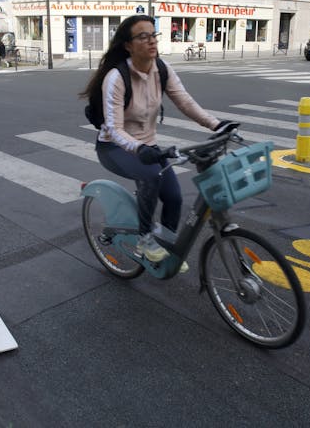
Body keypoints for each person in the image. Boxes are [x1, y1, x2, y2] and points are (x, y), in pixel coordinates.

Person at [80, 15, 230, 270]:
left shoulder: (161, 69)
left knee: (174, 197)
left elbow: (185, 102)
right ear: (128, 45)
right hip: (114, 147)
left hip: (146, 148)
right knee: (151, 176)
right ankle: (145, 239)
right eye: (143, 36)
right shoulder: (116, 77)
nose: (151, 41)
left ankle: (167, 248)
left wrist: (217, 124)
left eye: (153, 35)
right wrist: (139, 148)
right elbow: (114, 129)